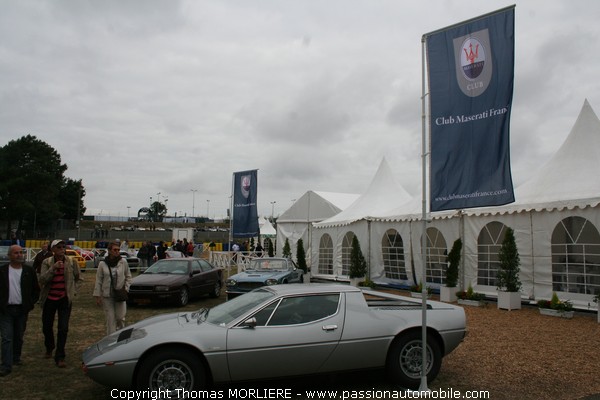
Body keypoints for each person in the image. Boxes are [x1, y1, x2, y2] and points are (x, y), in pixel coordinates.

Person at [39, 239, 83, 368]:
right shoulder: (46, 262)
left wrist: (73, 291)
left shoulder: (71, 262)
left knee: (63, 328)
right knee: (47, 327)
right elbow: (42, 279)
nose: (61, 248)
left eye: (63, 246)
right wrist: (53, 268)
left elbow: (79, 278)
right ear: (52, 249)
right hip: (49, 299)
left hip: (64, 299)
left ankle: (60, 356)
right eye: (58, 247)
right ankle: (49, 346)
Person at [0, 245, 40, 377]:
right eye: (16, 253)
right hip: (6, 310)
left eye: (21, 252)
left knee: (18, 336)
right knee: (7, 338)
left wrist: (30, 303)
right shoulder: (2, 271)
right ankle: (6, 365)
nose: (19, 255)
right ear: (9, 255)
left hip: (22, 310)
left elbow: (36, 290)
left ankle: (15, 358)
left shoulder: (29, 271)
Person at [93, 242, 132, 335]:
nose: (117, 252)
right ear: (109, 251)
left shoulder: (123, 262)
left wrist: (126, 288)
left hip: (120, 293)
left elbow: (128, 276)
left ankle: (121, 335)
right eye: (115, 250)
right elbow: (99, 280)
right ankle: (111, 339)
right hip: (107, 294)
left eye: (118, 250)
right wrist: (97, 295)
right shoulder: (102, 264)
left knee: (120, 317)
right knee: (110, 319)